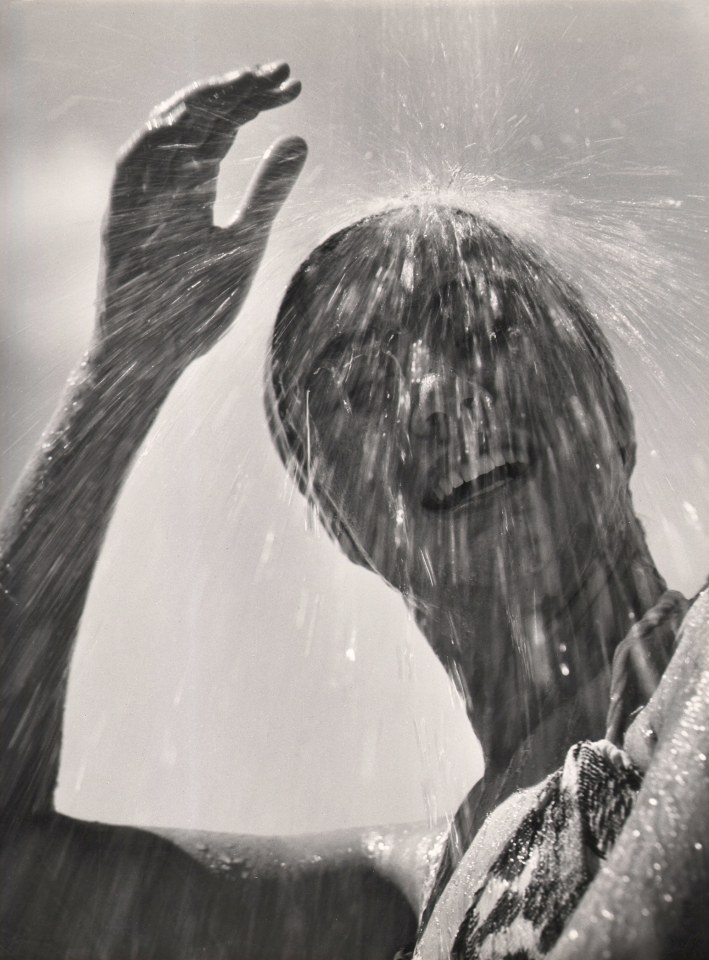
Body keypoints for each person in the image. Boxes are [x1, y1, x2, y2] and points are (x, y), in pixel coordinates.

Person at [0, 64, 707, 960]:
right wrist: (128, 366)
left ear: (607, 396)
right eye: (363, 384)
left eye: (486, 326)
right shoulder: (407, 895)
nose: (436, 397)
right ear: (336, 517)